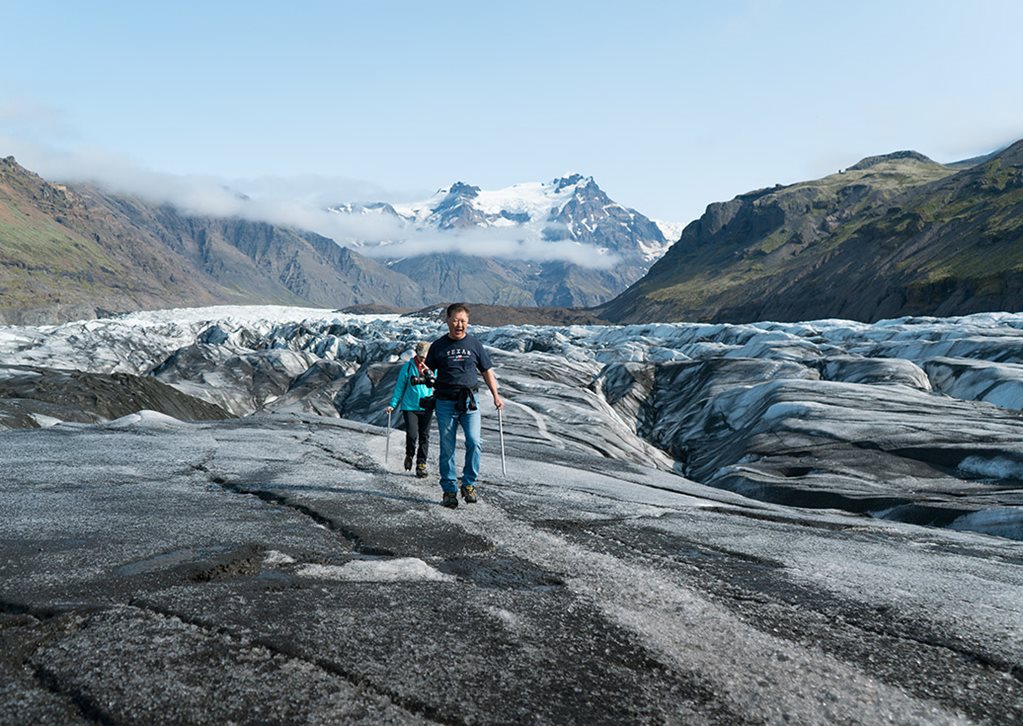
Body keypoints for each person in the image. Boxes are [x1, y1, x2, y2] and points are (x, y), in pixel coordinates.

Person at [425, 303, 504, 508]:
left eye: (464, 321)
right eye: (456, 320)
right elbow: (427, 370)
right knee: (447, 447)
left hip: (470, 402)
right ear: (447, 320)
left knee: (474, 441)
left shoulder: (475, 345)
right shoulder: (438, 346)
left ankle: (468, 483)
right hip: (445, 402)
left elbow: (487, 371)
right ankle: (449, 490)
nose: (460, 325)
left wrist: (496, 395)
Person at [385, 341, 436, 478]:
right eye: (421, 357)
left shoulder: (433, 368)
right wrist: (392, 404)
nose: (423, 360)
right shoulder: (407, 367)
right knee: (412, 435)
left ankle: (421, 464)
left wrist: (430, 375)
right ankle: (409, 454)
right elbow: (399, 387)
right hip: (410, 407)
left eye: (425, 357)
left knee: (424, 436)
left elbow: (438, 385)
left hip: (427, 406)